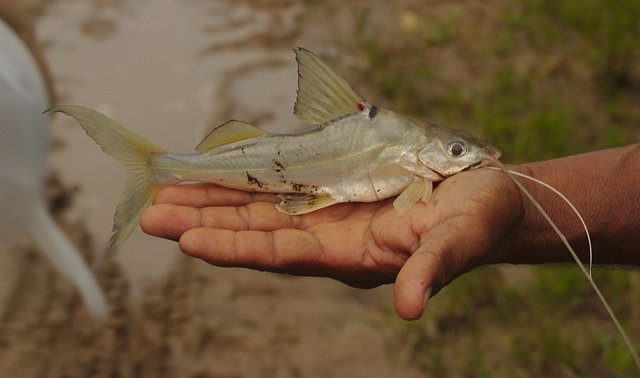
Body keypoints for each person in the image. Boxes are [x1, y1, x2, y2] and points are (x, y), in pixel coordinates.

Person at [140, 144, 640, 320]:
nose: (469, 161)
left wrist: (516, 204)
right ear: (422, 153)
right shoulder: (412, 162)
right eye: (458, 151)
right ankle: (158, 167)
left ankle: (164, 166)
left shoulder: (421, 171)